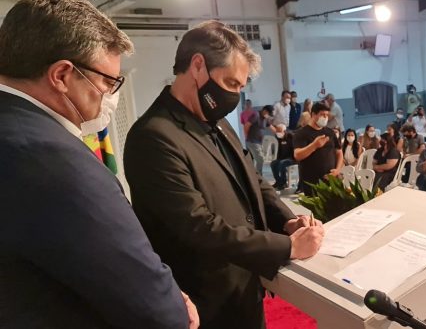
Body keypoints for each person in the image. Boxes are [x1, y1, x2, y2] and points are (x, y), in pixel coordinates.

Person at [0, 0, 194, 328]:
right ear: (62, 75)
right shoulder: (52, 157)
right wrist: (172, 304)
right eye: (106, 81)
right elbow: (150, 306)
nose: (109, 96)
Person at [124, 21, 323, 329]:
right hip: (205, 302)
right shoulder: (154, 136)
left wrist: (287, 221)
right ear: (198, 66)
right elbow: (198, 226)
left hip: (244, 287)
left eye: (241, 87)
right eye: (231, 83)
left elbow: (252, 179)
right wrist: (289, 247)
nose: (235, 96)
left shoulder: (216, 121)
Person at [293, 101, 343, 196]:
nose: (325, 117)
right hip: (312, 182)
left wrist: (337, 170)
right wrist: (314, 145)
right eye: (322, 115)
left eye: (327, 115)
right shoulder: (301, 134)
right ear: (313, 114)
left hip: (332, 179)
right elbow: (297, 155)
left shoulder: (330, 132)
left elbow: (339, 152)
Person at [244, 104, 272, 174]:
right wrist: (246, 136)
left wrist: (280, 131)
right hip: (252, 141)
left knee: (254, 159)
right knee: (260, 159)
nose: (268, 116)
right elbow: (246, 125)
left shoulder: (265, 119)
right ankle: (259, 176)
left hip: (259, 142)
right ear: (265, 111)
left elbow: (271, 127)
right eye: (268, 114)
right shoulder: (256, 115)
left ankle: (255, 174)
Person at [270, 123, 296, 190]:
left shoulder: (291, 137)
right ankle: (278, 181)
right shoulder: (279, 138)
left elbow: (295, 149)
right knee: (273, 163)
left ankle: (283, 183)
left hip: (292, 158)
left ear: (284, 131)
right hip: (283, 158)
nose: (278, 133)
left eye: (279, 131)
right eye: (277, 131)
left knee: (282, 163)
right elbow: (279, 150)